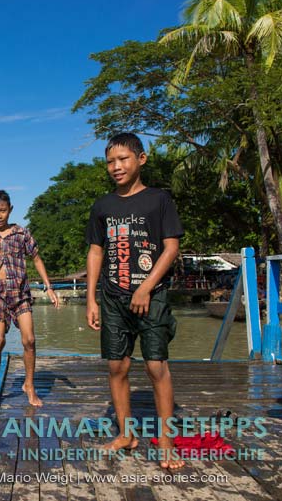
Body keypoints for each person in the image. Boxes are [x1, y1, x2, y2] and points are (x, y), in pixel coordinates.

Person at [85, 133, 185, 469]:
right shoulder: (103, 206)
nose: (117, 167)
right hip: (113, 297)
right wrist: (92, 299)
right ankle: (126, 433)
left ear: (141, 159)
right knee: (117, 366)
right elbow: (96, 250)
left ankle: (167, 442)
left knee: (156, 366)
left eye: (123, 159)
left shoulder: (159, 200)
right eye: (111, 161)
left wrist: (146, 287)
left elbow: (171, 247)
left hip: (151, 296)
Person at [0, 190, 60, 406]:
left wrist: (48, 286)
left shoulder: (22, 233)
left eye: (2, 210)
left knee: (29, 340)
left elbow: (37, 259)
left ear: (10, 210)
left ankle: (29, 385)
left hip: (20, 293)